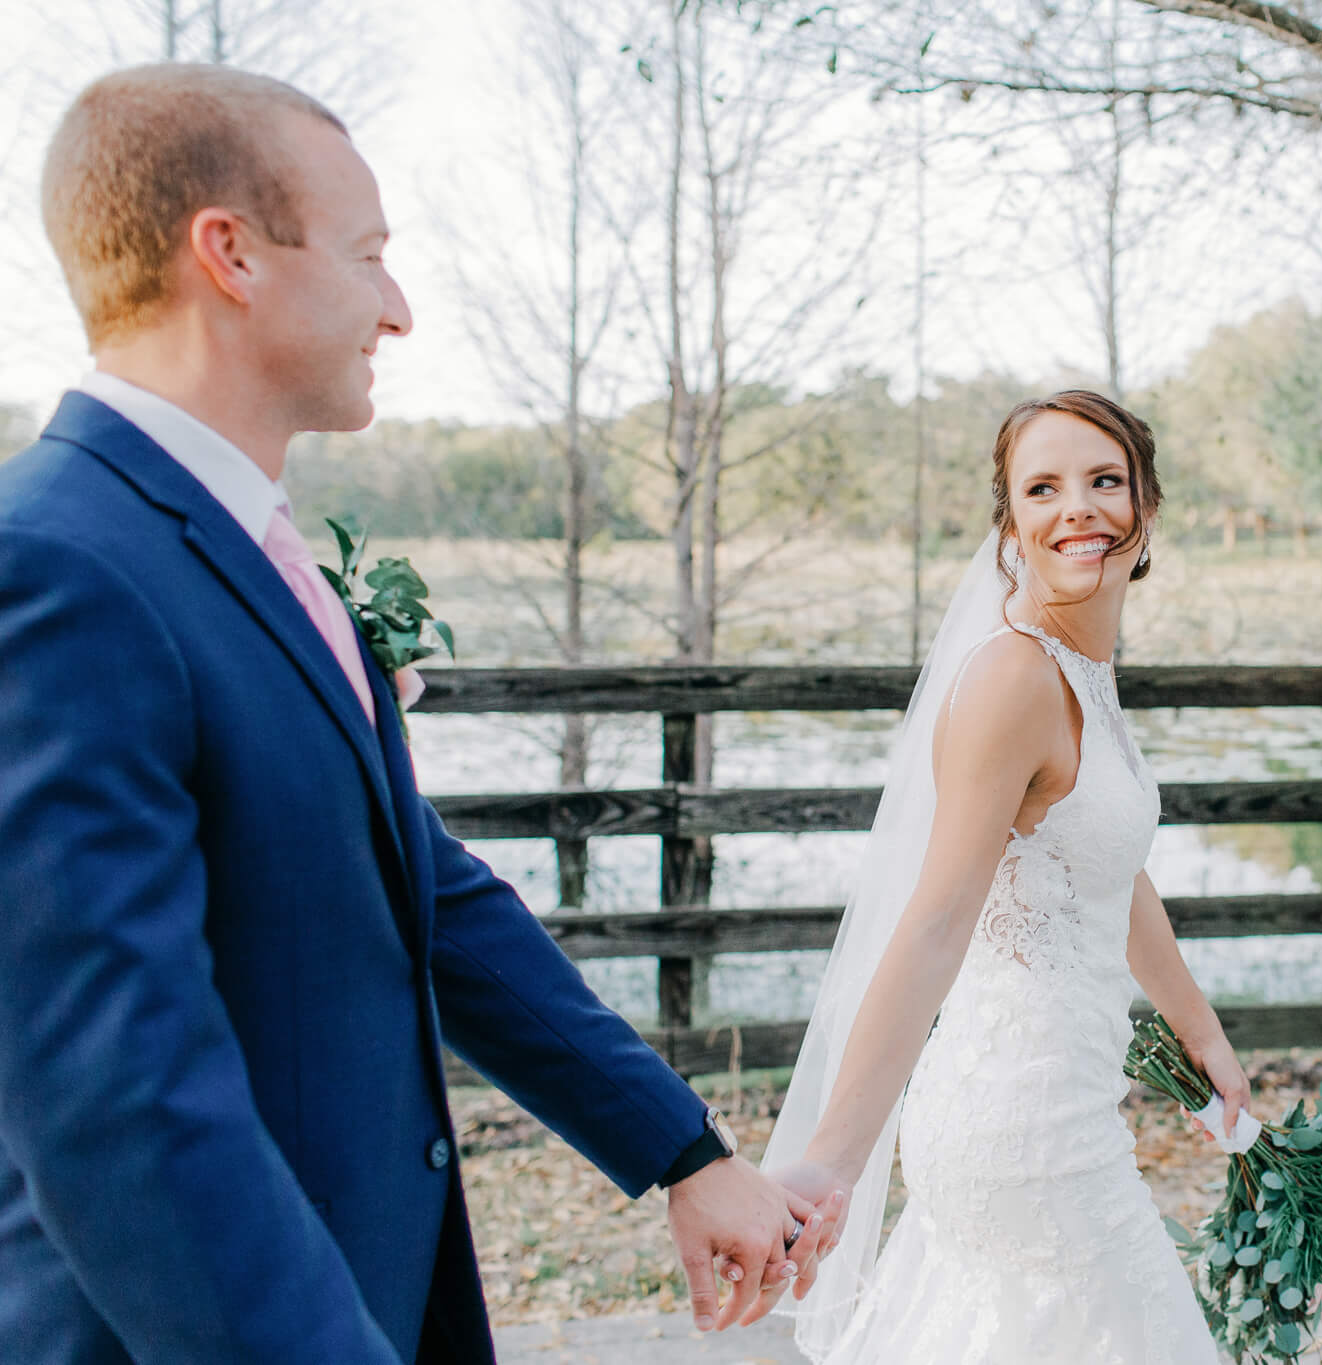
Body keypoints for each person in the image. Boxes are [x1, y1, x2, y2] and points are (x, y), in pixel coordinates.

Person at [0, 64, 843, 1364]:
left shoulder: (243, 552)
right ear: (227, 253)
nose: (396, 307)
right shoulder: (60, 567)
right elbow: (118, 1096)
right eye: (369, 254)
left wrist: (680, 1145)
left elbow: (415, 891)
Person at [764, 392, 1248, 1363]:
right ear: (1010, 528)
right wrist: (831, 1164)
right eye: (1044, 488)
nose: (1078, 507)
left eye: (1103, 481)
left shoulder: (1076, 666)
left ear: (1145, 507)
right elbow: (933, 924)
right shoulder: (1012, 679)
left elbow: (1110, 873)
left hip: (1058, 1107)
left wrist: (1202, 1036)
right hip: (1023, 1131)